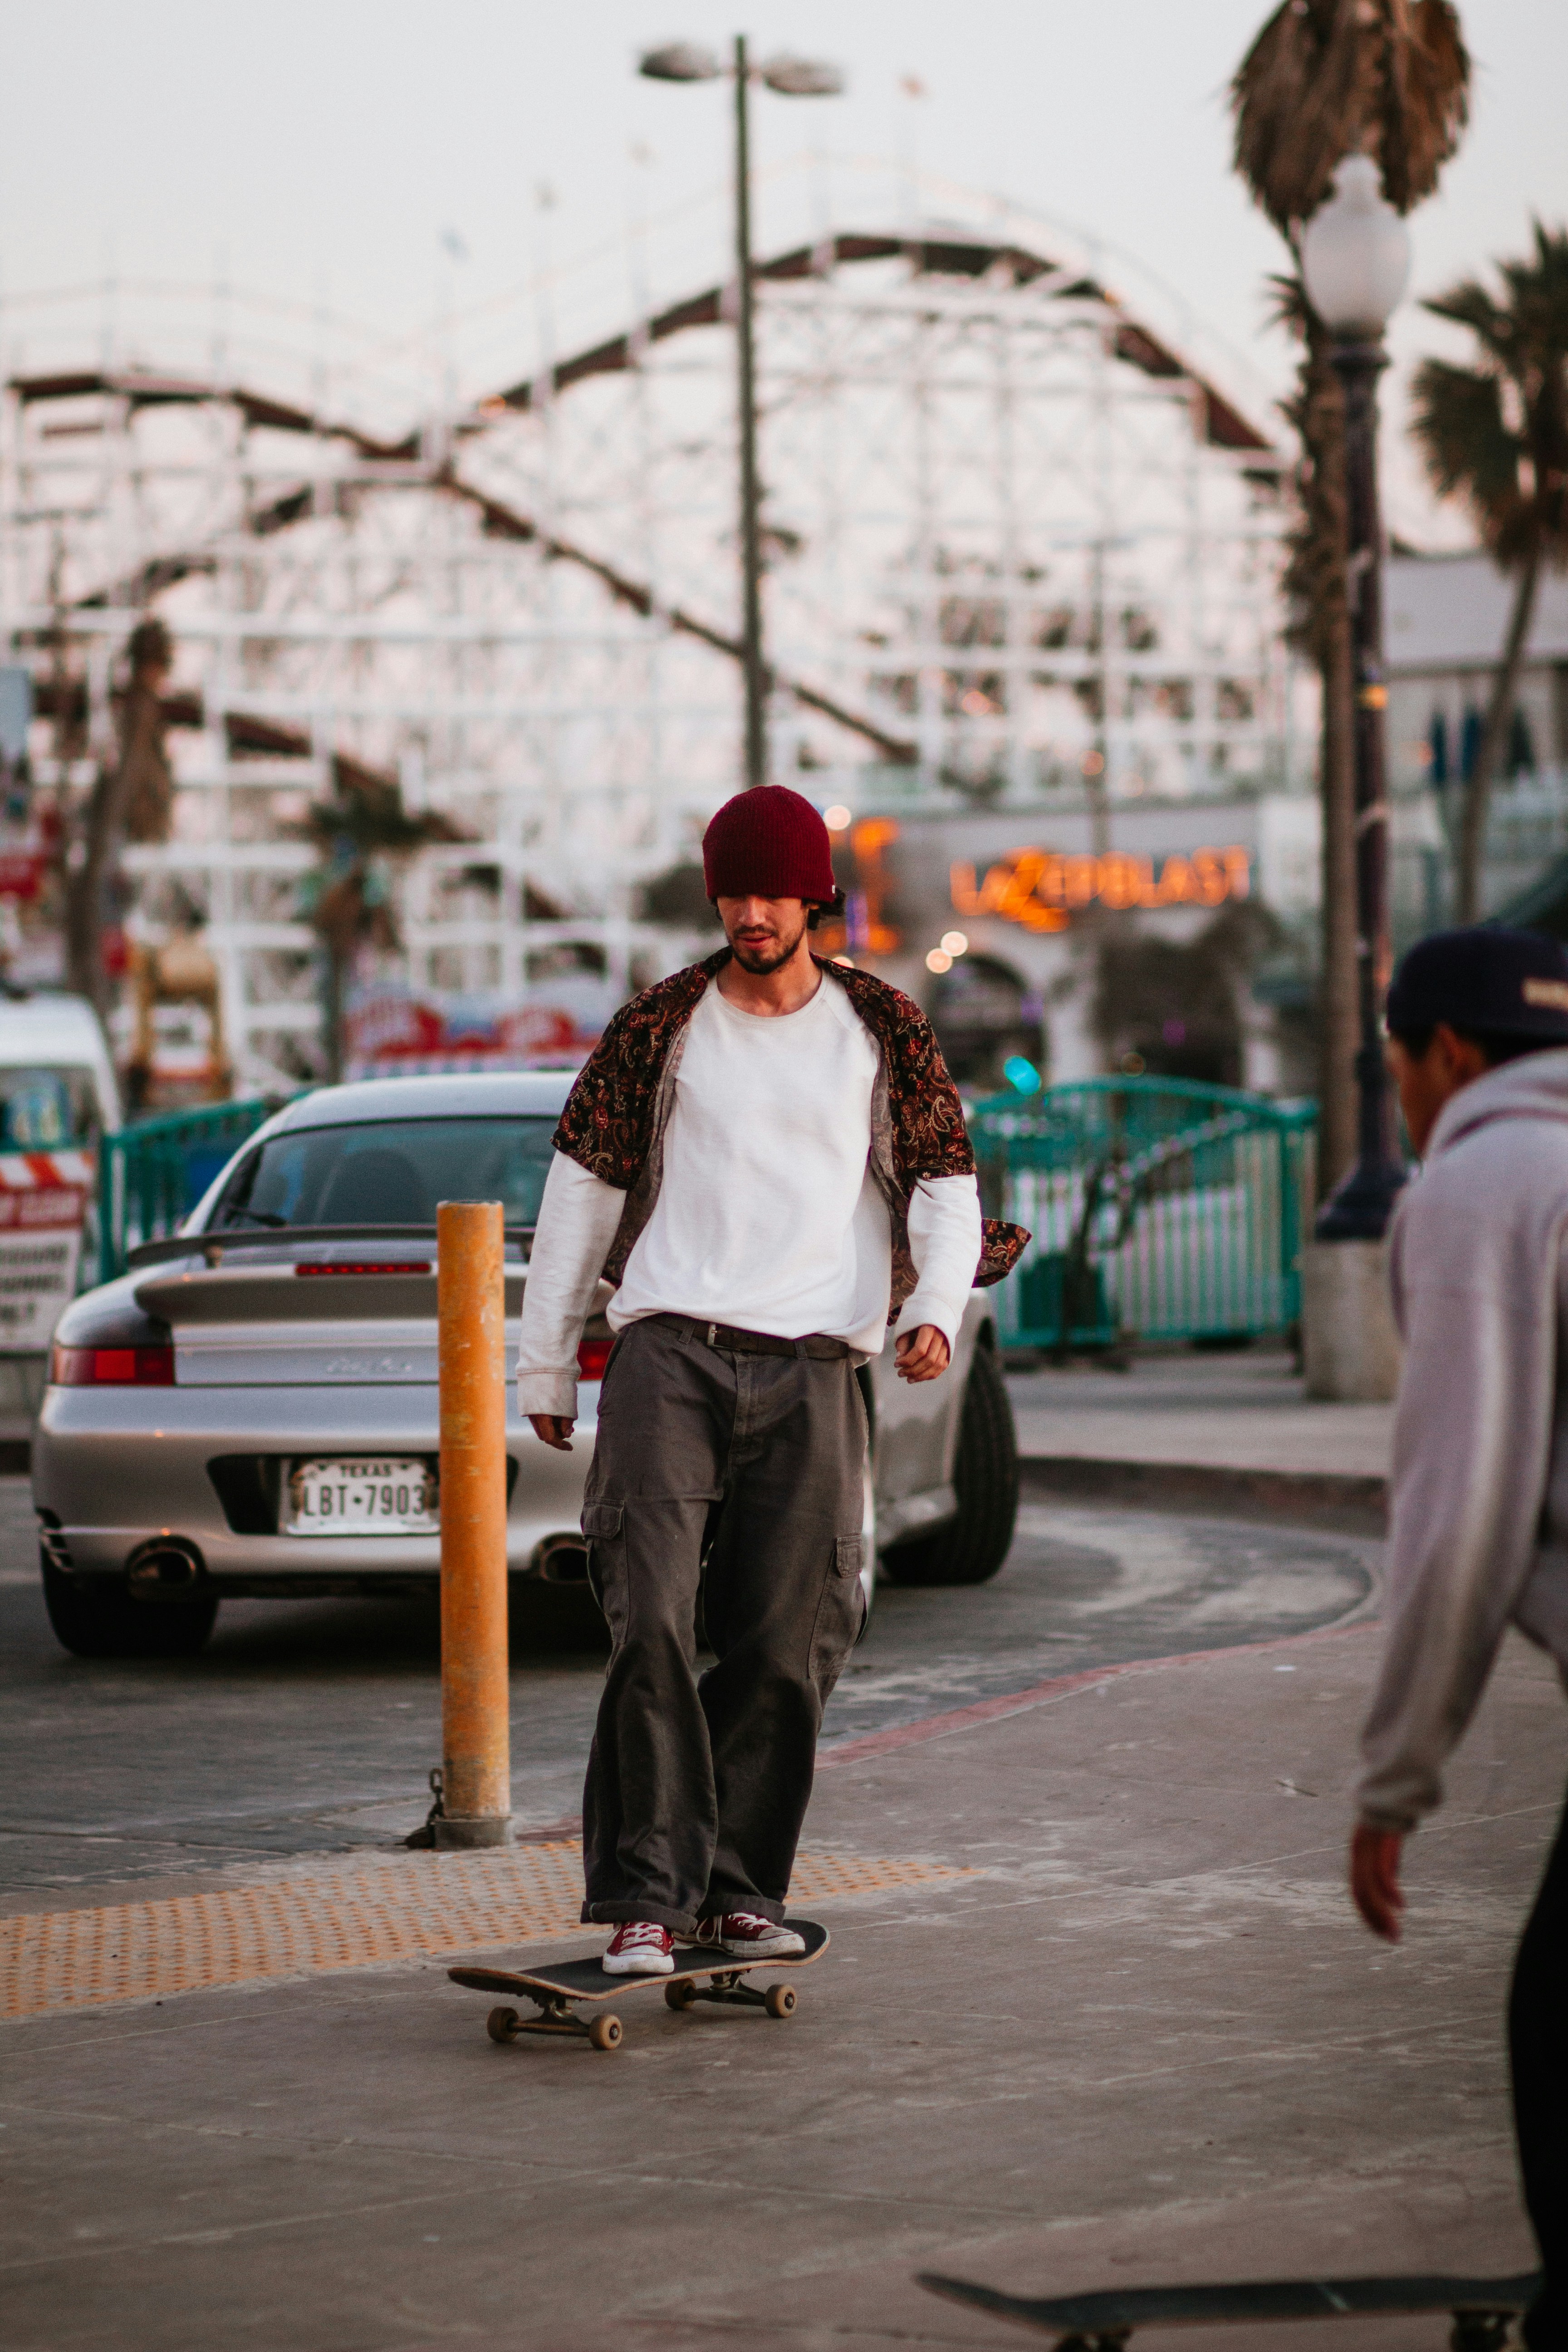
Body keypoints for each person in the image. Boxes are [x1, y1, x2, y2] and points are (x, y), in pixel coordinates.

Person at [516, 785, 1026, 1975]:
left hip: (814, 1366)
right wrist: (547, 1358)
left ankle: (739, 1889)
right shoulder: (663, 1026)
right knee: (648, 1615)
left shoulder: (881, 1028)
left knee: (789, 1640)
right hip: (669, 1351)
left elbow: (949, 1188)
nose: (748, 912)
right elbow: (581, 1187)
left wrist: (937, 1315)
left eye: (769, 892)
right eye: (730, 893)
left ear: (814, 899)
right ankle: (645, 1896)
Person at [1349, 925, 1568, 2349]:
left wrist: (1394, 1780)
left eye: (1399, 1070)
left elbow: (1461, 1520)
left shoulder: (1479, 1186)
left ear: (1448, 1056)